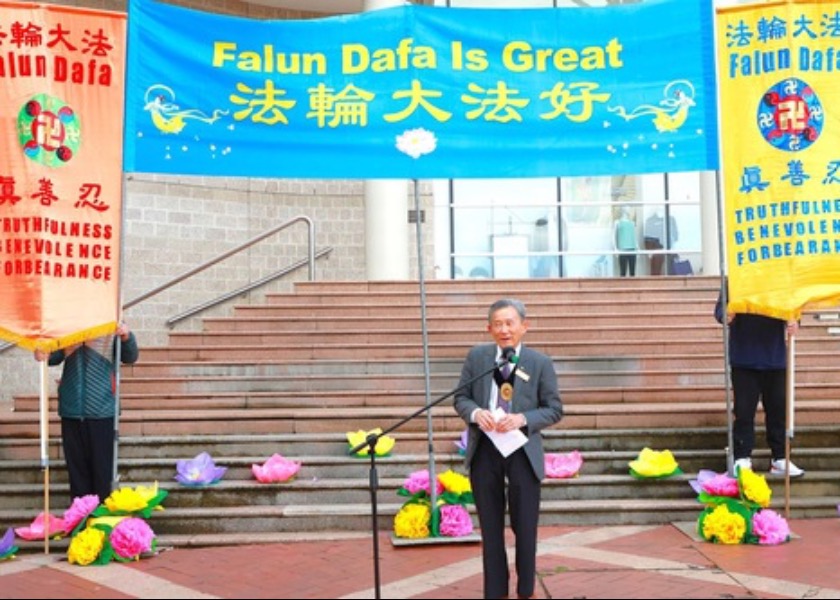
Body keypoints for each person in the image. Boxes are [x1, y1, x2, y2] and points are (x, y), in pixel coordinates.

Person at [454, 298, 563, 599]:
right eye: (498, 324)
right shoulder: (477, 358)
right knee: (490, 528)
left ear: (524, 326)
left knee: (525, 527)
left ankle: (525, 589)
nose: (504, 330)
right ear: (489, 329)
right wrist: (477, 414)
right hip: (485, 450)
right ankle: (495, 591)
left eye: (510, 323)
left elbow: (554, 409)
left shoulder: (540, 363)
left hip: (522, 451)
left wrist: (522, 419)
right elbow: (461, 398)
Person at [34, 323, 140, 500]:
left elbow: (130, 357)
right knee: (77, 471)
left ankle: (102, 517)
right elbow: (53, 357)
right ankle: (81, 516)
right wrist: (42, 352)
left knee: (103, 470)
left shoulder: (110, 328)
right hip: (71, 410)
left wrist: (126, 336)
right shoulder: (68, 328)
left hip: (102, 410)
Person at [714, 291, 803, 478]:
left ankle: (780, 457)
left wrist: (794, 322)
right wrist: (726, 316)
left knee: (778, 409)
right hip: (744, 358)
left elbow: (792, 309)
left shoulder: (777, 281)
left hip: (775, 357)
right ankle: (742, 457)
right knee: (744, 411)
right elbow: (720, 310)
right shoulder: (737, 278)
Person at [613, 207, 638, 277]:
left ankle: (633, 287)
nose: (628, 209)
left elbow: (634, 236)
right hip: (622, 249)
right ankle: (623, 287)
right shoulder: (617, 222)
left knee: (632, 272)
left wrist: (637, 247)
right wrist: (615, 248)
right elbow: (613, 236)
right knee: (623, 271)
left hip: (632, 249)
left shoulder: (632, 223)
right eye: (626, 208)